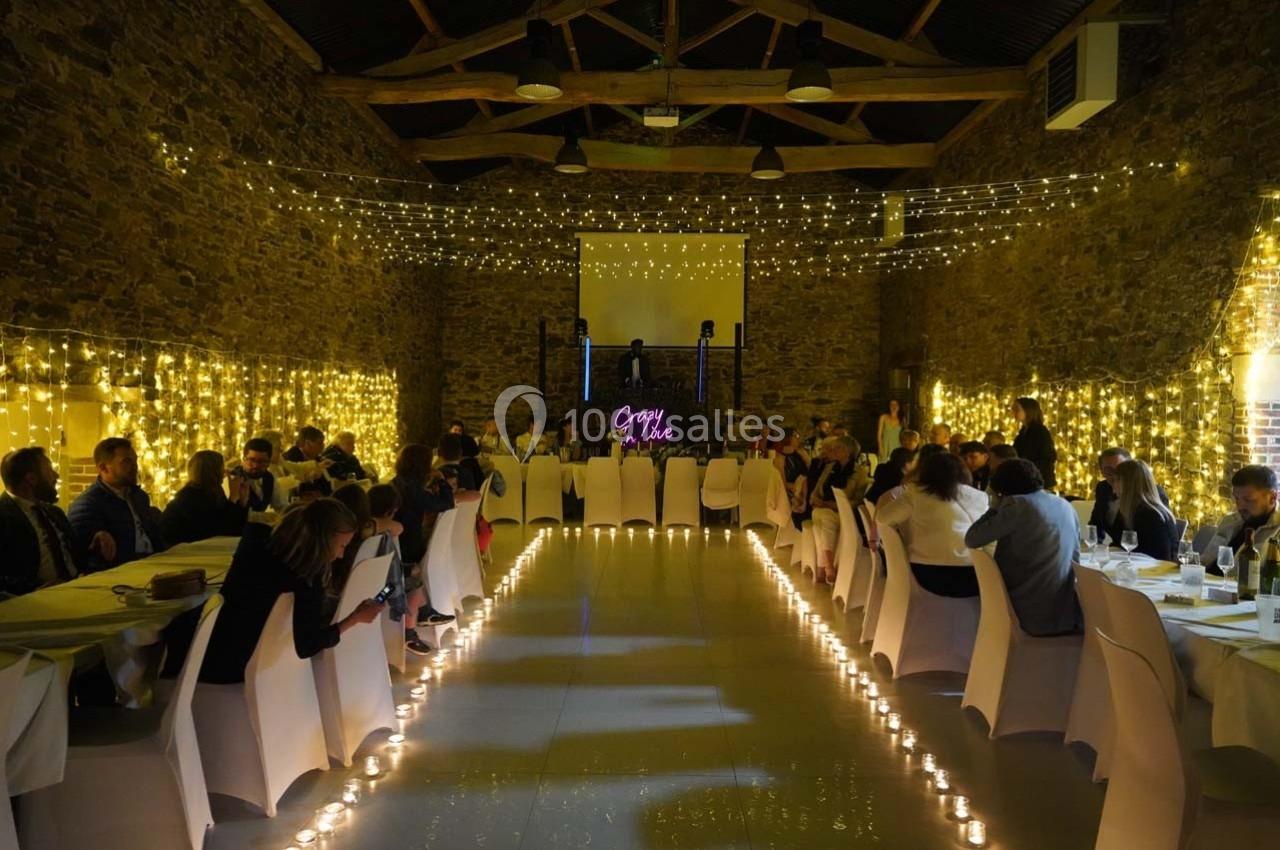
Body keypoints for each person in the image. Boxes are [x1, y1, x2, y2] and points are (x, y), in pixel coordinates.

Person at [199, 499, 385, 684]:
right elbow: (307, 645)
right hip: (239, 663)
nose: (341, 555)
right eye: (342, 546)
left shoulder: (256, 540)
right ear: (324, 540)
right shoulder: (306, 576)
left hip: (206, 641)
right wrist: (353, 619)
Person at [964, 459, 1080, 636]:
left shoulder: (1018, 505)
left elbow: (972, 539)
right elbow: (1076, 556)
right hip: (1064, 608)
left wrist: (994, 507)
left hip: (1024, 606)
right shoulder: (1065, 505)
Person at [878, 451, 989, 597]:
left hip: (926, 574)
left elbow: (882, 518)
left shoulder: (915, 494)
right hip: (971, 574)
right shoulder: (980, 497)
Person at [69, 437, 167, 571]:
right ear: (103, 468)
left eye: (135, 460)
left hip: (154, 563)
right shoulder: (88, 504)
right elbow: (85, 552)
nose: (135, 466)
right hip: (124, 571)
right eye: (126, 462)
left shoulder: (139, 497)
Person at [1, 446, 87, 595]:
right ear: (31, 479)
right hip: (36, 601)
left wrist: (97, 542)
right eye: (50, 471)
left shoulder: (54, 512)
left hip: (79, 587)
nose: (56, 476)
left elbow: (75, 555)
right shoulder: (3, 517)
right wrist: (32, 590)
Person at [391, 444, 457, 627]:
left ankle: (425, 610)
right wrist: (442, 481)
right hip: (406, 547)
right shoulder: (412, 489)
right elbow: (446, 504)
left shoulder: (399, 482)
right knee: (428, 559)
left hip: (400, 541)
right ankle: (418, 617)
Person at [804, 435, 869, 583]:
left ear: (847, 452)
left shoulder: (859, 472)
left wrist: (828, 505)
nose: (833, 450)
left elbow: (857, 500)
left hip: (843, 513)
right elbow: (818, 487)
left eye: (837, 448)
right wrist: (814, 499)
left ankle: (823, 568)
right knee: (823, 517)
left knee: (822, 522)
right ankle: (828, 568)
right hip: (823, 509)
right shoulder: (830, 467)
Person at [161, 451, 249, 544]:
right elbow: (217, 529)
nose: (225, 472)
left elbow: (236, 527)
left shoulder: (215, 490)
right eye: (222, 468)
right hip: (182, 549)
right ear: (213, 471)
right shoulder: (189, 496)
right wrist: (233, 498)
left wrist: (242, 501)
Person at [1088, 447, 1169, 545]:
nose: (1114, 475)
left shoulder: (1150, 493)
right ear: (1102, 471)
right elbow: (1096, 525)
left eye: (1120, 470)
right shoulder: (1103, 488)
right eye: (1109, 471)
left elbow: (1160, 539)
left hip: (1144, 555)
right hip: (1118, 552)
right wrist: (1094, 549)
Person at [1206, 465, 1280, 571]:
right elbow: (1205, 562)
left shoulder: (1277, 531)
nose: (1239, 507)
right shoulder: (1231, 521)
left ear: (1272, 498)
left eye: (1248, 500)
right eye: (1237, 499)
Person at [1111, 459, 1179, 560]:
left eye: (1116, 480)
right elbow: (1117, 542)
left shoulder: (1151, 516)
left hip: (1155, 571)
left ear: (1128, 484)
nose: (1113, 486)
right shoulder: (1129, 510)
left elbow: (1156, 557)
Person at [1011, 397, 1057, 491]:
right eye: (1013, 409)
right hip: (1027, 479)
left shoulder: (1040, 431)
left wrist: (1029, 470)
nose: (1014, 413)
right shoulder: (1023, 432)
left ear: (1028, 411)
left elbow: (1048, 456)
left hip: (1039, 480)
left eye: (1017, 409)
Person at [285, 425, 332, 497]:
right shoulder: (291, 457)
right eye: (320, 443)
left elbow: (327, 485)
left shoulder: (318, 459)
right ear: (308, 443)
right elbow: (295, 485)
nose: (323, 446)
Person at [240, 437, 277, 512]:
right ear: (243, 459)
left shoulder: (269, 478)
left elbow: (281, 505)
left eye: (261, 461)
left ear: (269, 463)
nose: (255, 465)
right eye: (251, 460)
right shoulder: (233, 479)